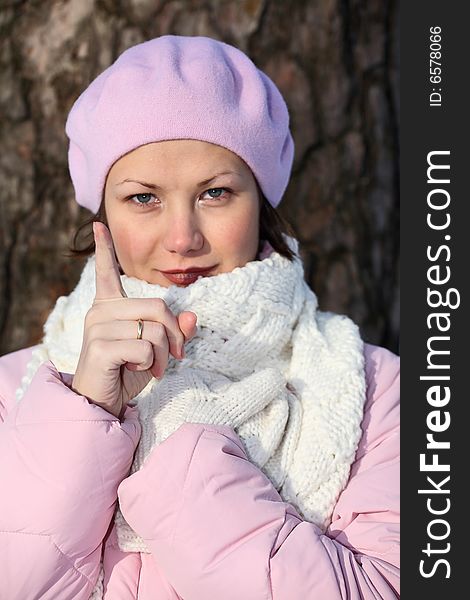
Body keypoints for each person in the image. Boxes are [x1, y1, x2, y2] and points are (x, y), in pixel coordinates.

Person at [0, 34, 399, 599]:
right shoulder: (14, 394)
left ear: (260, 201)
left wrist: (184, 459)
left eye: (215, 193)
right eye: (144, 198)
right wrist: (87, 412)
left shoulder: (379, 392)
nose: (182, 239)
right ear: (102, 216)